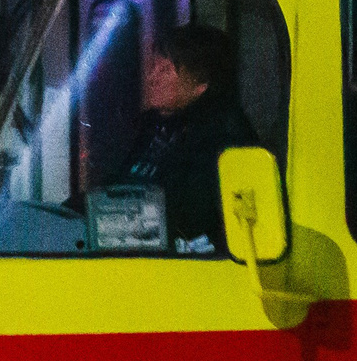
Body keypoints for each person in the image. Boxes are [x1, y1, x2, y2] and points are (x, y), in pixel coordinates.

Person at [106, 23, 258, 252]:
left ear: (201, 85)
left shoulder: (222, 139)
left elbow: (190, 218)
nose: (152, 78)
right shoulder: (149, 127)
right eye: (154, 68)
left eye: (166, 70)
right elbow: (115, 187)